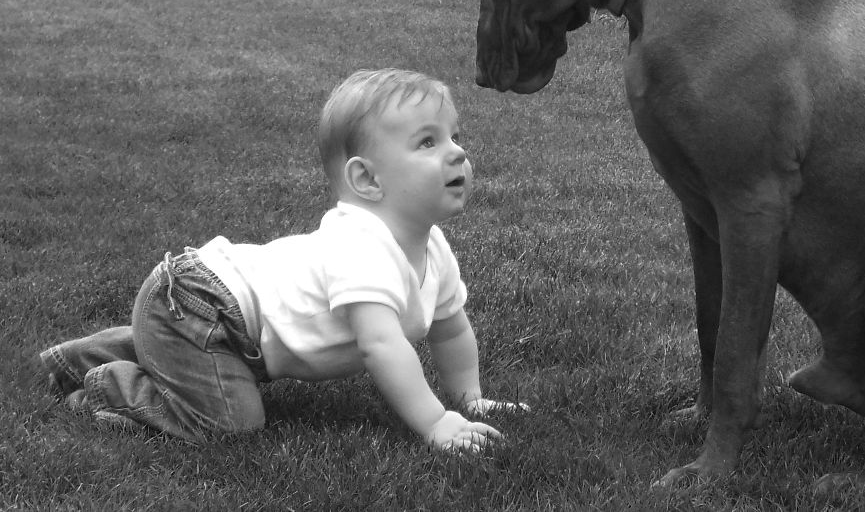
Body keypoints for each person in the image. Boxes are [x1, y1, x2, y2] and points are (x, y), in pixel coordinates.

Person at [39, 68, 525, 450]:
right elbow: (381, 345)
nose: (457, 152)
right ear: (367, 181)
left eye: (455, 136)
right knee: (235, 425)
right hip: (201, 305)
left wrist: (470, 399)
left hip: (206, 315)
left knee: (189, 354)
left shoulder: (432, 246)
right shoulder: (362, 245)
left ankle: (71, 359)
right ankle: (111, 385)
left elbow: (451, 328)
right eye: (428, 142)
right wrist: (436, 420)